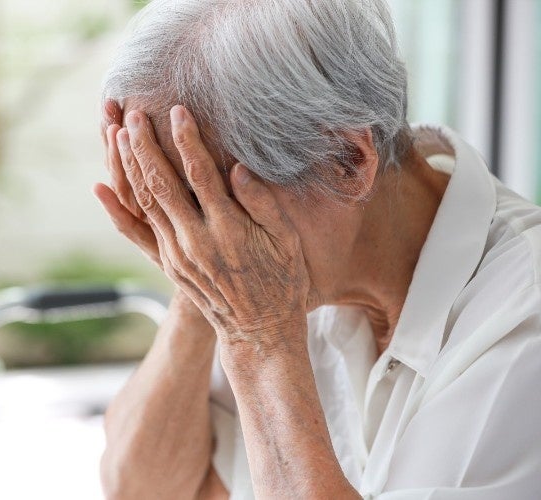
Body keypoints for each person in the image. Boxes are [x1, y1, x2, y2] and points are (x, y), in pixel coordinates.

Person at [92, 0, 541, 498]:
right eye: (168, 204)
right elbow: (139, 489)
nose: (195, 242)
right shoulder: (265, 276)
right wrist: (196, 293)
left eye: (205, 202)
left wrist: (259, 338)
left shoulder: (524, 332)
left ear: (346, 162)